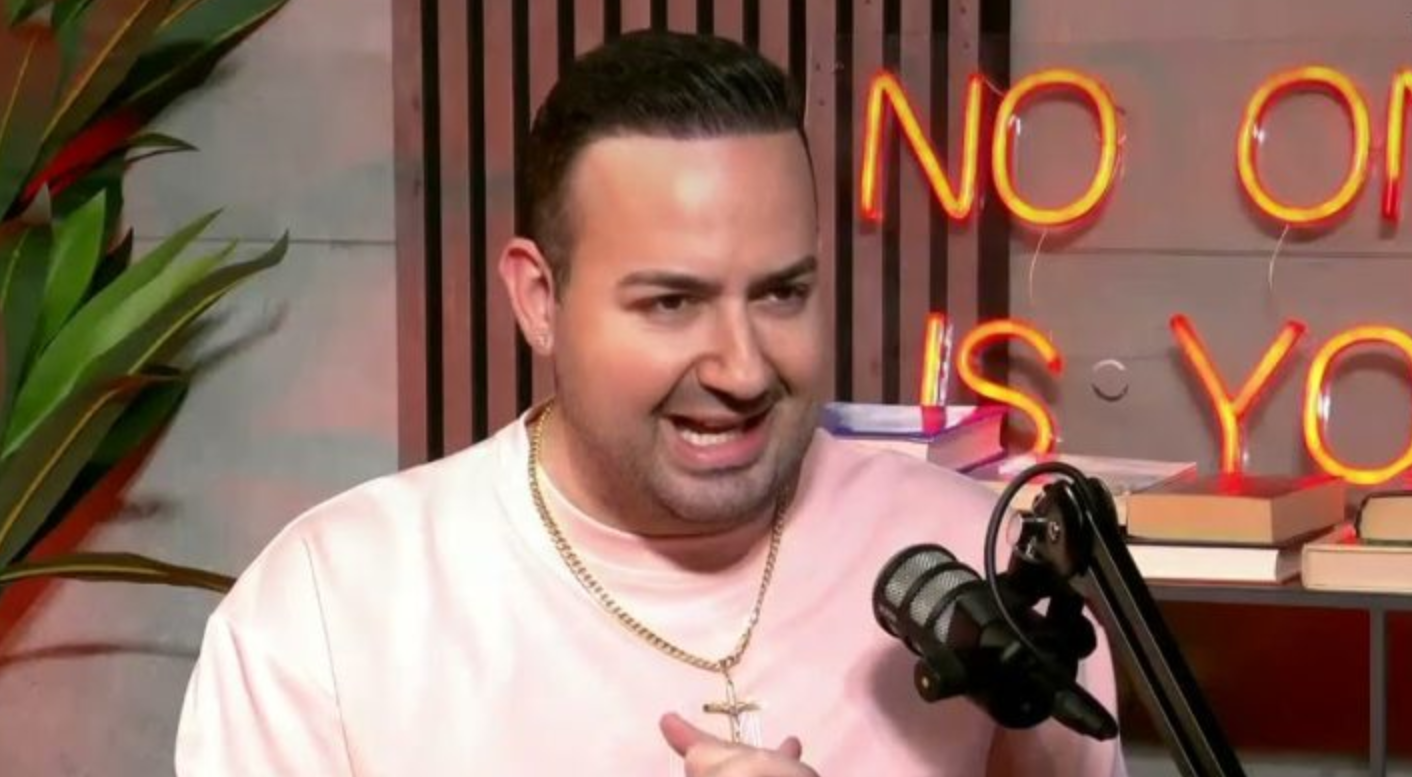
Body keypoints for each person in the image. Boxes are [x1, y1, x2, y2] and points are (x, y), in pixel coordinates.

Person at [174, 30, 1128, 776]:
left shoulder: (987, 576)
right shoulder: (329, 610)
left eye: (781, 293)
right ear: (538, 299)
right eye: (672, 302)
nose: (742, 368)